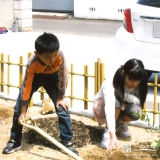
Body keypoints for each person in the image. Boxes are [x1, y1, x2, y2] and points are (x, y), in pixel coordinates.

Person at [2, 32, 79, 156]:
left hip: (53, 78)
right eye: (48, 57)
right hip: (36, 77)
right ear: (37, 53)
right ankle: (15, 140)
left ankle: (67, 142)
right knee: (17, 110)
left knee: (62, 108)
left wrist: (60, 97)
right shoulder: (32, 63)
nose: (52, 59)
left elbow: (64, 76)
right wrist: (23, 111)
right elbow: (26, 87)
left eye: (54, 55)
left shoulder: (60, 55)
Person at [93, 58, 148, 152]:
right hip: (103, 108)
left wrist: (127, 97)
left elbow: (139, 102)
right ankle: (107, 132)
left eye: (137, 80)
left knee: (136, 112)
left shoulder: (141, 82)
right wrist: (112, 133)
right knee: (117, 100)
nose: (134, 83)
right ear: (123, 72)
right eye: (131, 79)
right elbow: (109, 106)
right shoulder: (111, 82)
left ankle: (120, 123)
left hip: (123, 107)